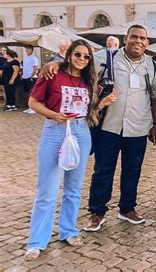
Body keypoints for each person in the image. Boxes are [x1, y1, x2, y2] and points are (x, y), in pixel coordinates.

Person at [24, 40, 114, 261]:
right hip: (55, 130)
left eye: (86, 56)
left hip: (81, 132)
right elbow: (33, 102)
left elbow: (89, 111)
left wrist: (102, 104)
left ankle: (69, 230)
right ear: (69, 54)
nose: (82, 59)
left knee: (73, 188)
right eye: (78, 54)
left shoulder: (88, 80)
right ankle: (37, 240)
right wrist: (53, 115)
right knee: (47, 189)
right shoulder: (53, 74)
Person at [83, 25, 156, 231]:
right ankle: (97, 211)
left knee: (132, 170)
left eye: (142, 38)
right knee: (103, 170)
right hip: (109, 125)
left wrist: (155, 123)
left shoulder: (151, 66)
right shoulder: (106, 58)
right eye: (133, 36)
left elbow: (154, 96)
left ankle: (127, 208)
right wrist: (53, 67)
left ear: (147, 43)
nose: (138, 41)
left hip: (138, 126)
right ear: (125, 38)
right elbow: (82, 74)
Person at [22, 45, 39, 115]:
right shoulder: (26, 58)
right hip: (25, 77)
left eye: (29, 49)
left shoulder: (34, 58)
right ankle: (29, 107)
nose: (27, 50)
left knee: (32, 93)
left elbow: (35, 68)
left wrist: (31, 76)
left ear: (32, 50)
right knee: (27, 93)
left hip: (31, 77)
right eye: (26, 48)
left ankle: (33, 108)